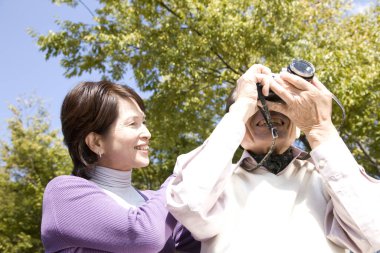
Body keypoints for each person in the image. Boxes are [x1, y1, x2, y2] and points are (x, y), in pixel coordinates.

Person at [166, 64, 380, 253]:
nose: (267, 109)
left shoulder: (329, 179)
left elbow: (373, 231)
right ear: (236, 129)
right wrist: (242, 105)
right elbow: (188, 205)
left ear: (297, 128)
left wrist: (320, 129)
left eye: (280, 101)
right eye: (255, 105)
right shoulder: (217, 181)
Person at [41, 81, 200, 253]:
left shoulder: (153, 201)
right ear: (96, 142)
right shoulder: (63, 194)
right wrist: (180, 177)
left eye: (144, 122)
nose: (147, 133)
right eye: (133, 124)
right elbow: (145, 236)